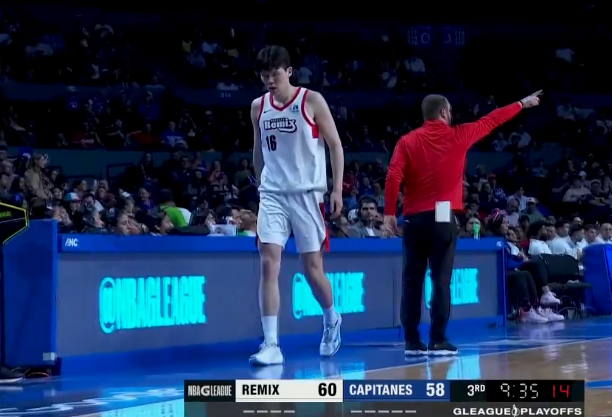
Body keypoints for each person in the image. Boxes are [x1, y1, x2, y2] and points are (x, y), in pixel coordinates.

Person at [383, 90, 543, 357]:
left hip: (413, 219)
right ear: (444, 112)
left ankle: (411, 342)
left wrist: (389, 212)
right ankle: (437, 340)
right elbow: (492, 119)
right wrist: (521, 104)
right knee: (440, 280)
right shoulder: (459, 135)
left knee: (411, 281)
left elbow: (392, 175)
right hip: (442, 218)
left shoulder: (407, 140)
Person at [249, 45, 344, 366]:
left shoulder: (311, 100)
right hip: (273, 194)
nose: (270, 81)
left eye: (275, 74)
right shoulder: (258, 106)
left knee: (312, 270)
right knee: (268, 263)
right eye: (265, 76)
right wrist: (260, 184)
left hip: (307, 194)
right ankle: (271, 344)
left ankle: (331, 318)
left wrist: (336, 189)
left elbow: (335, 145)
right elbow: (258, 149)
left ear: (289, 72)